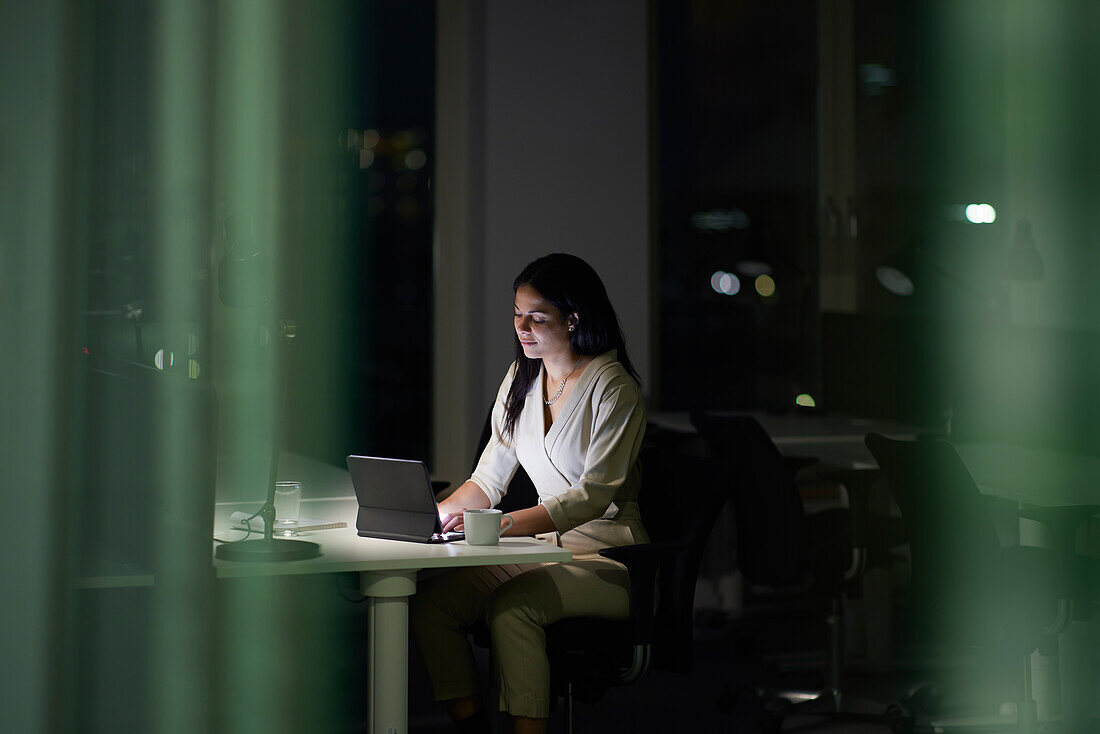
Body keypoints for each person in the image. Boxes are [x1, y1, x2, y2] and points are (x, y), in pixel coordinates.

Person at [411, 253, 647, 734]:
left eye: (538, 317)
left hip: (608, 560)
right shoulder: (523, 378)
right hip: (545, 551)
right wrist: (429, 514)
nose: (523, 327)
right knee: (435, 604)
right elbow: (487, 481)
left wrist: (506, 525)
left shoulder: (613, 388)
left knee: (513, 608)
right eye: (517, 314)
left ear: (573, 319)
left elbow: (592, 497)